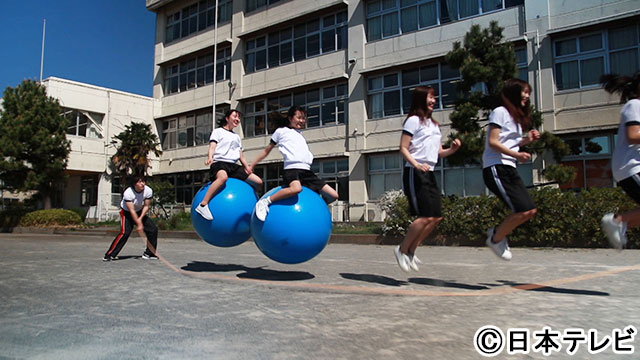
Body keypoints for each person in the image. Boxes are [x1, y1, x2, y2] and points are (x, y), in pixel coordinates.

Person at [394, 86, 461, 272]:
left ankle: (411, 251)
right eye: (430, 97)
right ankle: (401, 249)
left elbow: (439, 152)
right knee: (424, 216)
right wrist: (416, 165)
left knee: (436, 217)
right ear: (420, 99)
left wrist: (453, 149)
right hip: (415, 172)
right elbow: (403, 148)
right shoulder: (413, 121)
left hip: (430, 171)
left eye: (434, 97)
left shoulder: (435, 125)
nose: (433, 101)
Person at [482, 78, 540, 261]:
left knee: (530, 210)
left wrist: (526, 141)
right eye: (524, 92)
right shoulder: (499, 112)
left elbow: (509, 143)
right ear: (513, 92)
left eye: (528, 93)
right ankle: (495, 238)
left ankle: (497, 235)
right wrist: (517, 155)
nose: (527, 96)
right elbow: (493, 142)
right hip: (496, 167)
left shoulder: (515, 120)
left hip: (508, 167)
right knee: (522, 209)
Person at [250, 105, 338, 221]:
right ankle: (265, 202)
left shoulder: (300, 134)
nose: (302, 121)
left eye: (303, 118)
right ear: (290, 118)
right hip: (292, 169)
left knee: (333, 195)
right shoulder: (280, 131)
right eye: (299, 117)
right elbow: (267, 150)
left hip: (307, 171)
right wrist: (252, 164)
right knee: (296, 189)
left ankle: (316, 207)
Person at [195, 109, 263, 221]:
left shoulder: (236, 137)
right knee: (223, 178)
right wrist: (210, 158)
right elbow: (212, 147)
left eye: (239, 117)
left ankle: (255, 204)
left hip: (234, 166)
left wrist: (247, 167)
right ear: (227, 118)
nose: (237, 119)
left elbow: (240, 155)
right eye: (235, 116)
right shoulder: (218, 131)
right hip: (220, 163)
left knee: (258, 182)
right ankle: (203, 205)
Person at [600, 72, 640, 249]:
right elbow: (633, 135)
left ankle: (622, 223)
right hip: (631, 166)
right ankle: (618, 221)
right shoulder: (634, 105)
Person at [103, 175, 159, 261]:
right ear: (134, 184)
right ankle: (110, 254)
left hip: (140, 211)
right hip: (127, 213)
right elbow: (132, 210)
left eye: (143, 181)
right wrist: (139, 224)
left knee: (153, 229)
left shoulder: (148, 191)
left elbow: (146, 206)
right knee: (125, 232)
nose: (142, 184)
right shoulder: (128, 193)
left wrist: (140, 219)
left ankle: (149, 253)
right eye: (139, 182)